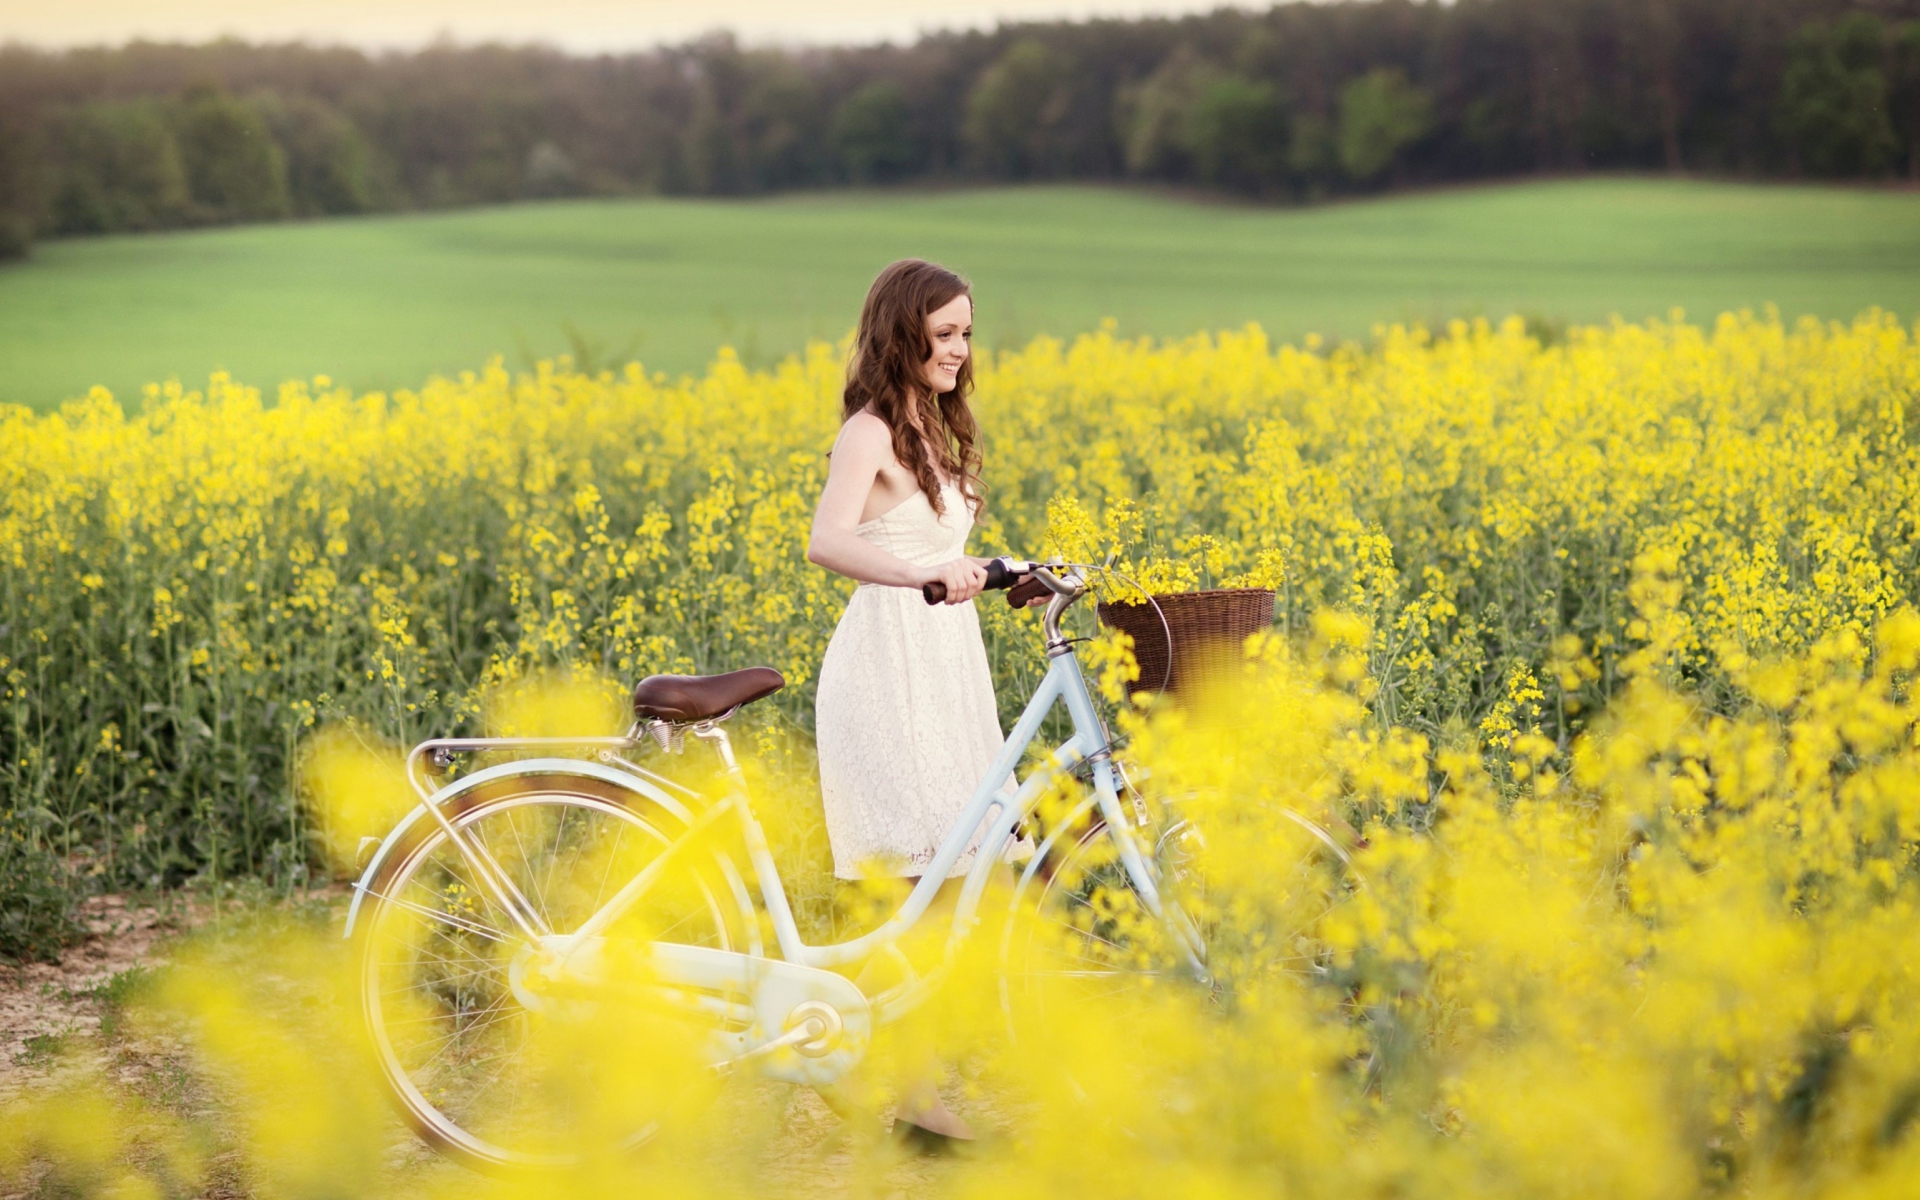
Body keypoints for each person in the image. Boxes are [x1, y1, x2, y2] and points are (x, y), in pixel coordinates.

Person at [806, 258, 1030, 1149]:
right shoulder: (870, 432)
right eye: (944, 334)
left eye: (967, 333)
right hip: (887, 665)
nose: (960, 350)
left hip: (944, 664)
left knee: (965, 880)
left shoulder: (937, 429)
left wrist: (1004, 571)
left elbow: (939, 547)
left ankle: (882, 1072)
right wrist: (919, 573)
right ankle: (907, 1093)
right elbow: (827, 541)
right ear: (903, 335)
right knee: (917, 888)